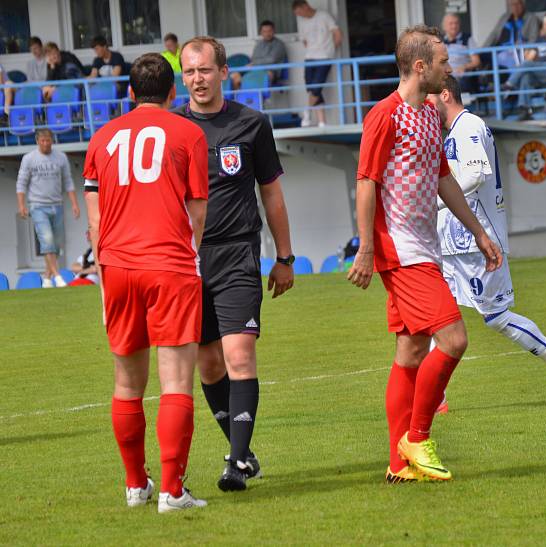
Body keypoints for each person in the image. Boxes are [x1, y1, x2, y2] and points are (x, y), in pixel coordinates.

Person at [348, 25, 503, 484]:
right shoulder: (384, 115)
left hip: (426, 247)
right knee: (454, 339)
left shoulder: (431, 116)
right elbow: (365, 181)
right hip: (402, 250)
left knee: (411, 350)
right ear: (420, 67)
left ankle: (400, 465)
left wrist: (477, 232)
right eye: (442, 61)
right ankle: (418, 436)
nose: (448, 68)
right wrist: (366, 246)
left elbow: (443, 179)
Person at [83, 52, 209, 513]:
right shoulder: (189, 133)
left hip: (117, 269)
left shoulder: (101, 138)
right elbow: (197, 212)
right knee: (176, 381)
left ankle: (137, 485)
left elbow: (94, 222)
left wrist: (103, 274)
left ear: (130, 93)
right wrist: (185, 254)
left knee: (126, 382)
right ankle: (173, 491)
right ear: (174, 93)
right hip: (169, 266)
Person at [176, 36, 294, 492]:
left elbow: (272, 194)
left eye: (205, 70)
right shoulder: (172, 128)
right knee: (208, 365)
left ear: (224, 72)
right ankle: (242, 451)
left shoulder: (252, 124)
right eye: (189, 72)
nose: (197, 79)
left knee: (239, 355)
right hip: (188, 261)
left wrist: (285, 257)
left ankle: (236, 463)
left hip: (238, 254)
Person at [430, 75, 546, 411]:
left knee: (497, 317)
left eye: (428, 98)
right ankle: (435, 396)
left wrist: (433, 200)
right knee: (438, 314)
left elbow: (474, 176)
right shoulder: (453, 133)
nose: (424, 106)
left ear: (444, 95)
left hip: (477, 243)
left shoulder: (469, 125)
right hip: (453, 244)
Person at [16, 128, 81, 288]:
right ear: (37, 141)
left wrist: (74, 203)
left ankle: (46, 277)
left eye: (48, 141)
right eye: (42, 141)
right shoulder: (29, 158)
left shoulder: (61, 157)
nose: (45, 144)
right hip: (38, 205)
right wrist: (22, 205)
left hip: (57, 204)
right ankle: (57, 276)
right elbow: (21, 182)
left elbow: (68, 181)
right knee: (47, 241)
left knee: (56, 245)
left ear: (52, 141)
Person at [501, 14, 546, 114]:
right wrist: (526, 54)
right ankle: (524, 108)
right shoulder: (540, 40)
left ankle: (510, 84)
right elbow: (531, 57)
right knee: (526, 76)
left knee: (527, 65)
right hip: (539, 72)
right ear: (544, 27)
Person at [292, 0, 342, 127]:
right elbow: (304, 41)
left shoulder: (323, 16)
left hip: (324, 58)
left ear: (305, 6)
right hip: (310, 58)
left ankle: (307, 111)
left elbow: (337, 34)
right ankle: (322, 122)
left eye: (300, 12)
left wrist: (330, 51)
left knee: (316, 88)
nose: (300, 15)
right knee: (312, 90)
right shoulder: (302, 22)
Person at [230, 20, 288, 89]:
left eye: (269, 31)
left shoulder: (279, 44)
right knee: (234, 76)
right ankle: (240, 98)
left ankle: (257, 98)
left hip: (271, 72)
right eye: (264, 31)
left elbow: (271, 60)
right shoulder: (259, 44)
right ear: (261, 32)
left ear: (273, 31)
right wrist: (258, 62)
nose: (267, 33)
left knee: (258, 79)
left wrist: (255, 63)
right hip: (255, 69)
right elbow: (254, 58)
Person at [483, 0, 540, 69]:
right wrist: (483, 49)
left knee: (508, 62)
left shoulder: (532, 18)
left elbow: (534, 37)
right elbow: (494, 34)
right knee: (480, 58)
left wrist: (527, 49)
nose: (515, 7)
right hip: (501, 50)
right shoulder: (504, 17)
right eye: (513, 4)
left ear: (523, 4)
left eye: (518, 4)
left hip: (520, 51)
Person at [441, 13, 480, 94]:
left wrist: (464, 67)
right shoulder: (439, 41)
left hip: (461, 76)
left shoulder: (467, 38)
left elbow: (476, 61)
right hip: (445, 75)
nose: (454, 26)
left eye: (456, 23)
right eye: (451, 23)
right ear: (444, 26)